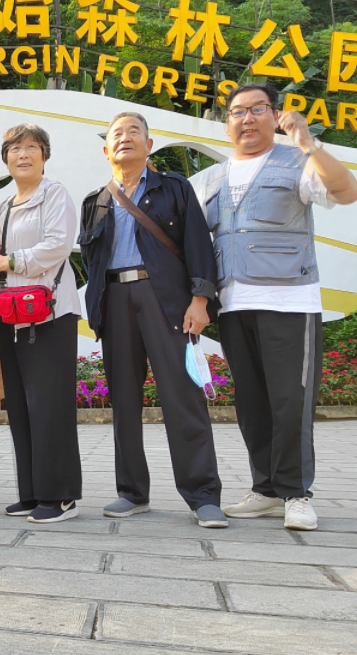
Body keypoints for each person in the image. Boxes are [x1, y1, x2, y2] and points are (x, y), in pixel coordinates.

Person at [198, 83, 357, 532]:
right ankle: (266, 490)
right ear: (226, 123)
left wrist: (309, 144)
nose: (247, 118)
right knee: (252, 403)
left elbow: (348, 192)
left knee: (291, 401)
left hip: (289, 300)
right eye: (237, 111)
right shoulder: (210, 178)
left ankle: (296, 493)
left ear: (275, 116)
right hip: (232, 305)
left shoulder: (298, 162)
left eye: (257, 109)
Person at [78, 112, 227, 528]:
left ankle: (203, 495)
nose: (124, 138)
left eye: (134, 132)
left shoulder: (173, 188)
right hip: (115, 300)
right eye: (117, 133)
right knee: (124, 400)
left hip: (165, 299)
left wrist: (200, 299)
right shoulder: (95, 201)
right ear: (106, 150)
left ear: (149, 145)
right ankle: (132, 492)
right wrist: (98, 310)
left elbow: (197, 244)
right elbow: (91, 262)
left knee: (183, 396)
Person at [0, 124, 82, 524]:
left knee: (50, 405)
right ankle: (33, 491)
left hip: (50, 314)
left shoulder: (55, 195)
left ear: (44, 155)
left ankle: (60, 496)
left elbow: (58, 245)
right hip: (12, 317)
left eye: (32, 147)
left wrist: (8, 261)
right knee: (19, 406)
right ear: (5, 158)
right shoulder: (2, 206)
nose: (23, 155)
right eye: (15, 149)